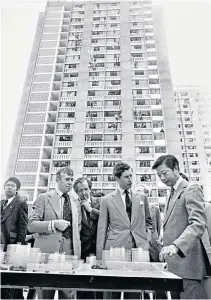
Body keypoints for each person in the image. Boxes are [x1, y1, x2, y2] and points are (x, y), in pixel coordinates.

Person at [152, 154, 211, 299]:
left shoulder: (192, 189)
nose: (162, 178)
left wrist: (176, 246)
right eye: (159, 175)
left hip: (189, 265)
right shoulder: (171, 193)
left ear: (176, 168)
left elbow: (198, 223)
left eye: (164, 173)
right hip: (174, 266)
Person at [97, 162, 152, 299]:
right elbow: (102, 229)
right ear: (117, 178)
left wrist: (147, 241)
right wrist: (100, 257)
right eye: (126, 177)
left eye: (131, 176)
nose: (130, 180)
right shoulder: (106, 200)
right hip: (115, 250)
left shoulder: (142, 197)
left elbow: (149, 223)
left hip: (138, 250)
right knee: (112, 292)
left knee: (134, 292)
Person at [28, 167, 81, 300]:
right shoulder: (43, 198)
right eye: (67, 179)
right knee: (46, 295)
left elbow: (77, 228)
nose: (70, 182)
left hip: (70, 256)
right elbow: (31, 225)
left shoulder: (76, 201)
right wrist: (53, 224)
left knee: (68, 296)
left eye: (71, 179)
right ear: (57, 180)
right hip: (47, 255)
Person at [73, 177, 101, 300]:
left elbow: (107, 219)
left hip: (98, 250)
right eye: (80, 190)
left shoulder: (100, 202)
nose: (83, 192)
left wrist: (90, 210)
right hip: (82, 251)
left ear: (90, 189)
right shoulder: (73, 205)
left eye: (85, 189)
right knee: (82, 289)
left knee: (99, 289)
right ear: (76, 192)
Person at [1, 177, 28, 299]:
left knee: (12, 280)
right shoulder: (1, 203)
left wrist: (18, 246)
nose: (10, 187)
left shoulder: (21, 203)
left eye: (12, 185)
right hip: (0, 245)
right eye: (8, 185)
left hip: (11, 245)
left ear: (17, 189)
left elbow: (23, 226)